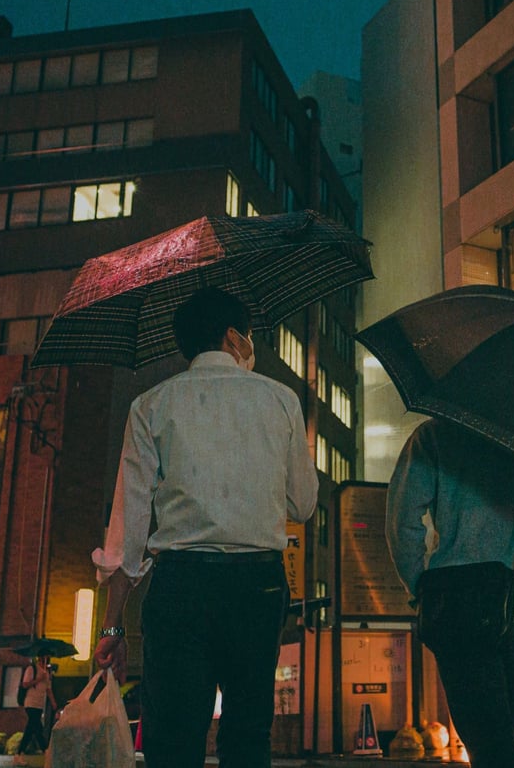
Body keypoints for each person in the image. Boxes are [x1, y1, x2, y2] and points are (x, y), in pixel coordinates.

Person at [91, 286, 319, 768]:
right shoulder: (280, 400)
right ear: (235, 337)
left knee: (173, 736)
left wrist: (113, 623)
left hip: (181, 585)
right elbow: (303, 503)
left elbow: (128, 526)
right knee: (248, 733)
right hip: (257, 584)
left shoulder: (151, 404)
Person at [387, 419, 514, 768]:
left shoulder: (435, 436)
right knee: (502, 739)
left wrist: (420, 587)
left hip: (461, 601)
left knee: (489, 746)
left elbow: (401, 521)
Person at [13, 655, 56, 765]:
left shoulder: (47, 673)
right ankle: (46, 750)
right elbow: (25, 684)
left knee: (30, 729)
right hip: (30, 703)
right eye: (44, 658)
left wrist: (53, 703)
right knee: (38, 727)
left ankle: (18, 754)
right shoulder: (32, 669)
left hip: (39, 705)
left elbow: (48, 689)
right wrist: (39, 679)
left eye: (47, 659)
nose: (45, 661)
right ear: (39, 659)